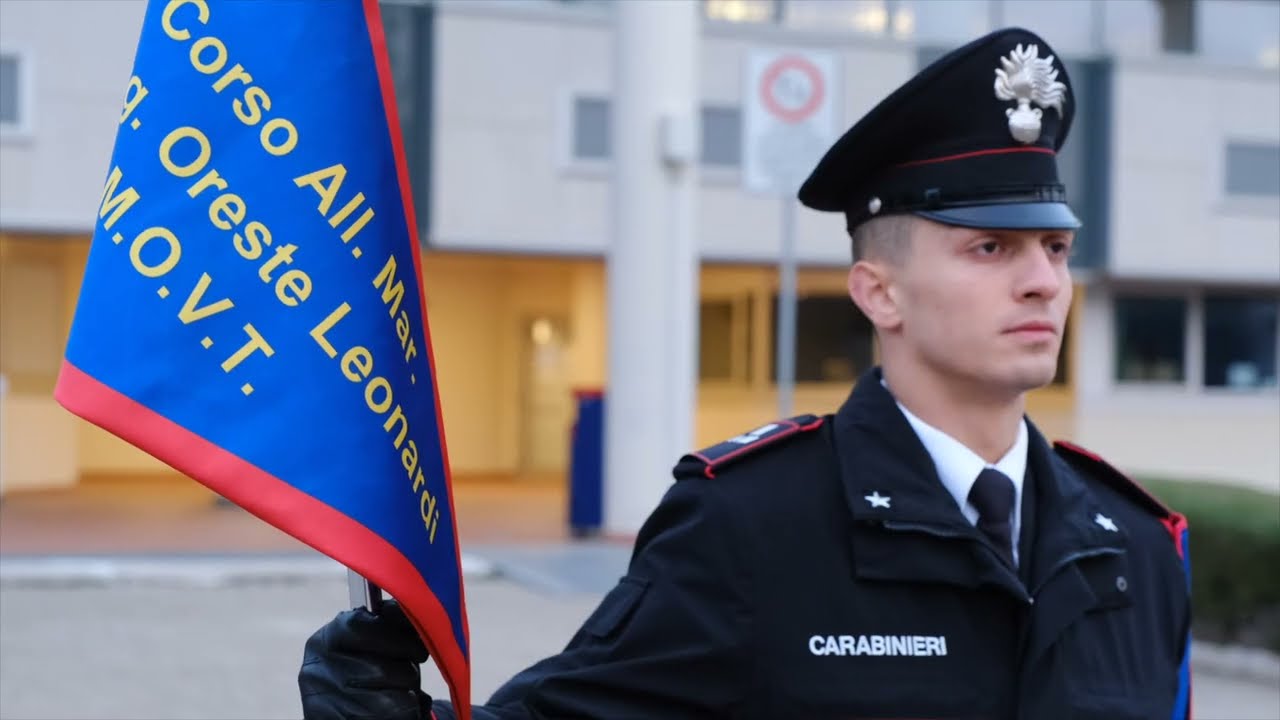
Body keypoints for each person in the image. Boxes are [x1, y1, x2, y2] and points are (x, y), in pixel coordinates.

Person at [298, 26, 1192, 720]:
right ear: (878, 292)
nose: (1041, 279)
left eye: (1055, 247)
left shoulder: (1137, 551)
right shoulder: (751, 526)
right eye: (990, 247)